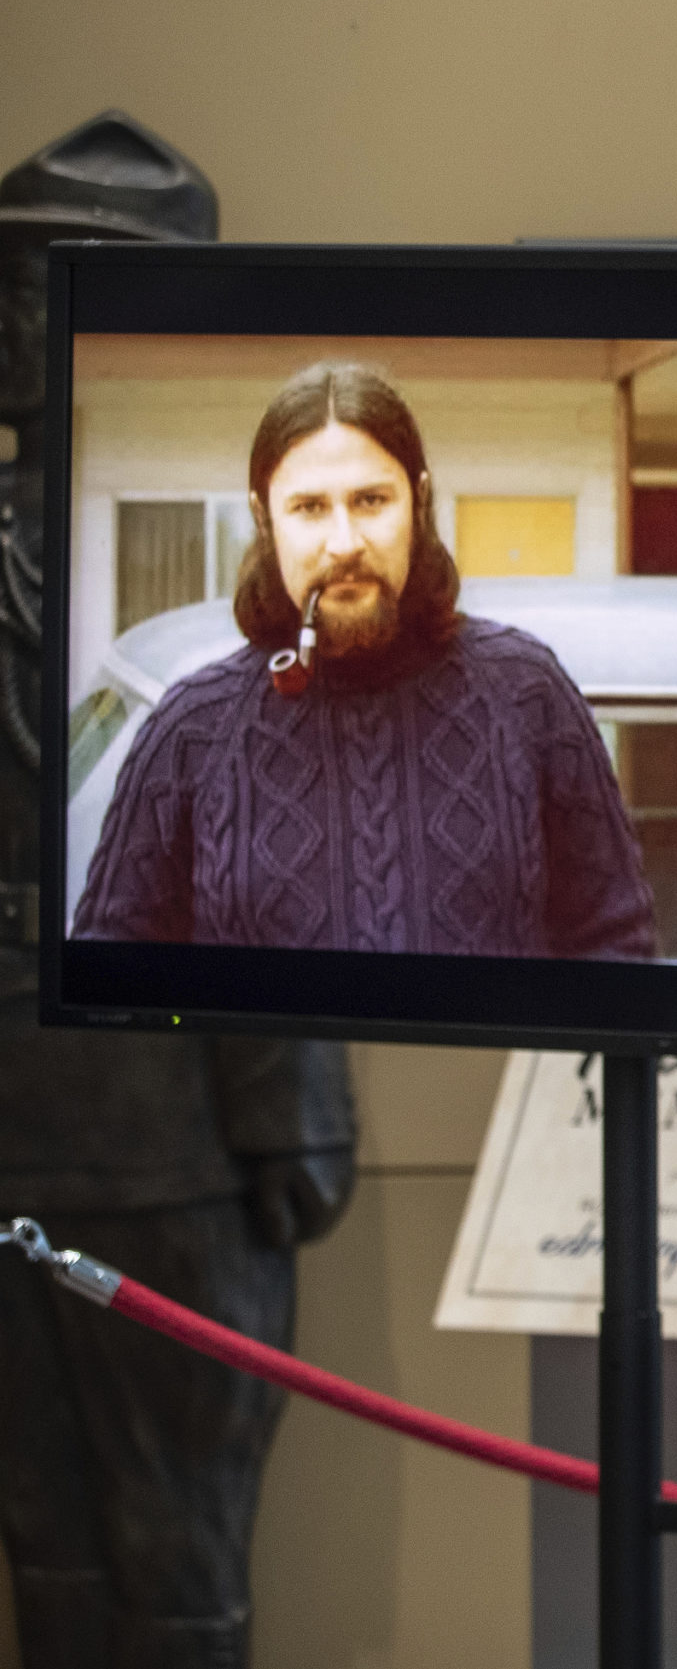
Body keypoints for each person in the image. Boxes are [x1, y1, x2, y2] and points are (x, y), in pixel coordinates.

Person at [1, 111, 356, 1669]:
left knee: (175, 1545)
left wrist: (293, 1100)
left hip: (181, 1120)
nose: (31, 317)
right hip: (71, 1123)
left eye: (68, 283)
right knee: (57, 1544)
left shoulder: (248, 565)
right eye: (18, 280)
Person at [72, 362, 656, 958]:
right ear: (263, 519)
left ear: (419, 502)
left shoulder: (529, 693)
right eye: (309, 508)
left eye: (371, 500)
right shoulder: (190, 729)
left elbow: (616, 942)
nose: (345, 542)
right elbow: (108, 976)